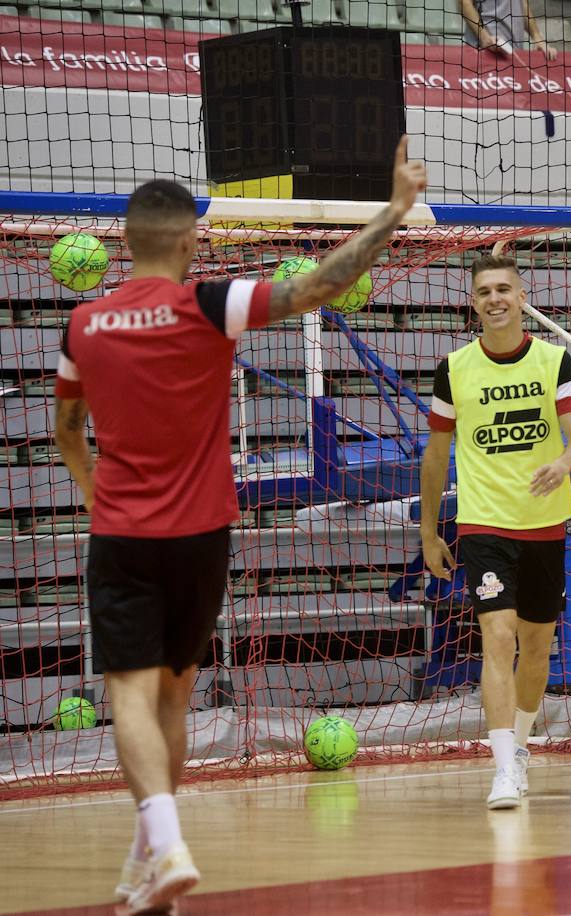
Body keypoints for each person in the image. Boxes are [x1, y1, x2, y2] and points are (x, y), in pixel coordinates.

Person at [52, 140, 427, 912]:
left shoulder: (83, 325)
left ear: (125, 243)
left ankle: (167, 846)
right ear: (191, 242)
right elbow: (321, 284)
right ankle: (150, 860)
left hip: (123, 534)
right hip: (203, 535)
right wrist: (393, 211)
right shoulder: (210, 303)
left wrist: (94, 495)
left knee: (128, 695)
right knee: (172, 700)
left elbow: (65, 429)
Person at [419, 252, 571, 810]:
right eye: (484, 292)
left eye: (502, 289)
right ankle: (501, 770)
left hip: (544, 523)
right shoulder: (454, 368)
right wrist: (428, 532)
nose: (494, 299)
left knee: (536, 647)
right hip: (484, 522)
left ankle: (519, 746)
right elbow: (435, 455)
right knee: (497, 637)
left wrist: (562, 464)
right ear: (473, 303)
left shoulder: (554, 360)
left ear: (521, 297)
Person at [459, 0, 557, 57]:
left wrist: (537, 38)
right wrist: (484, 38)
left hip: (514, 54)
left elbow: (522, 3)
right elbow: (464, 2)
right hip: (485, 52)